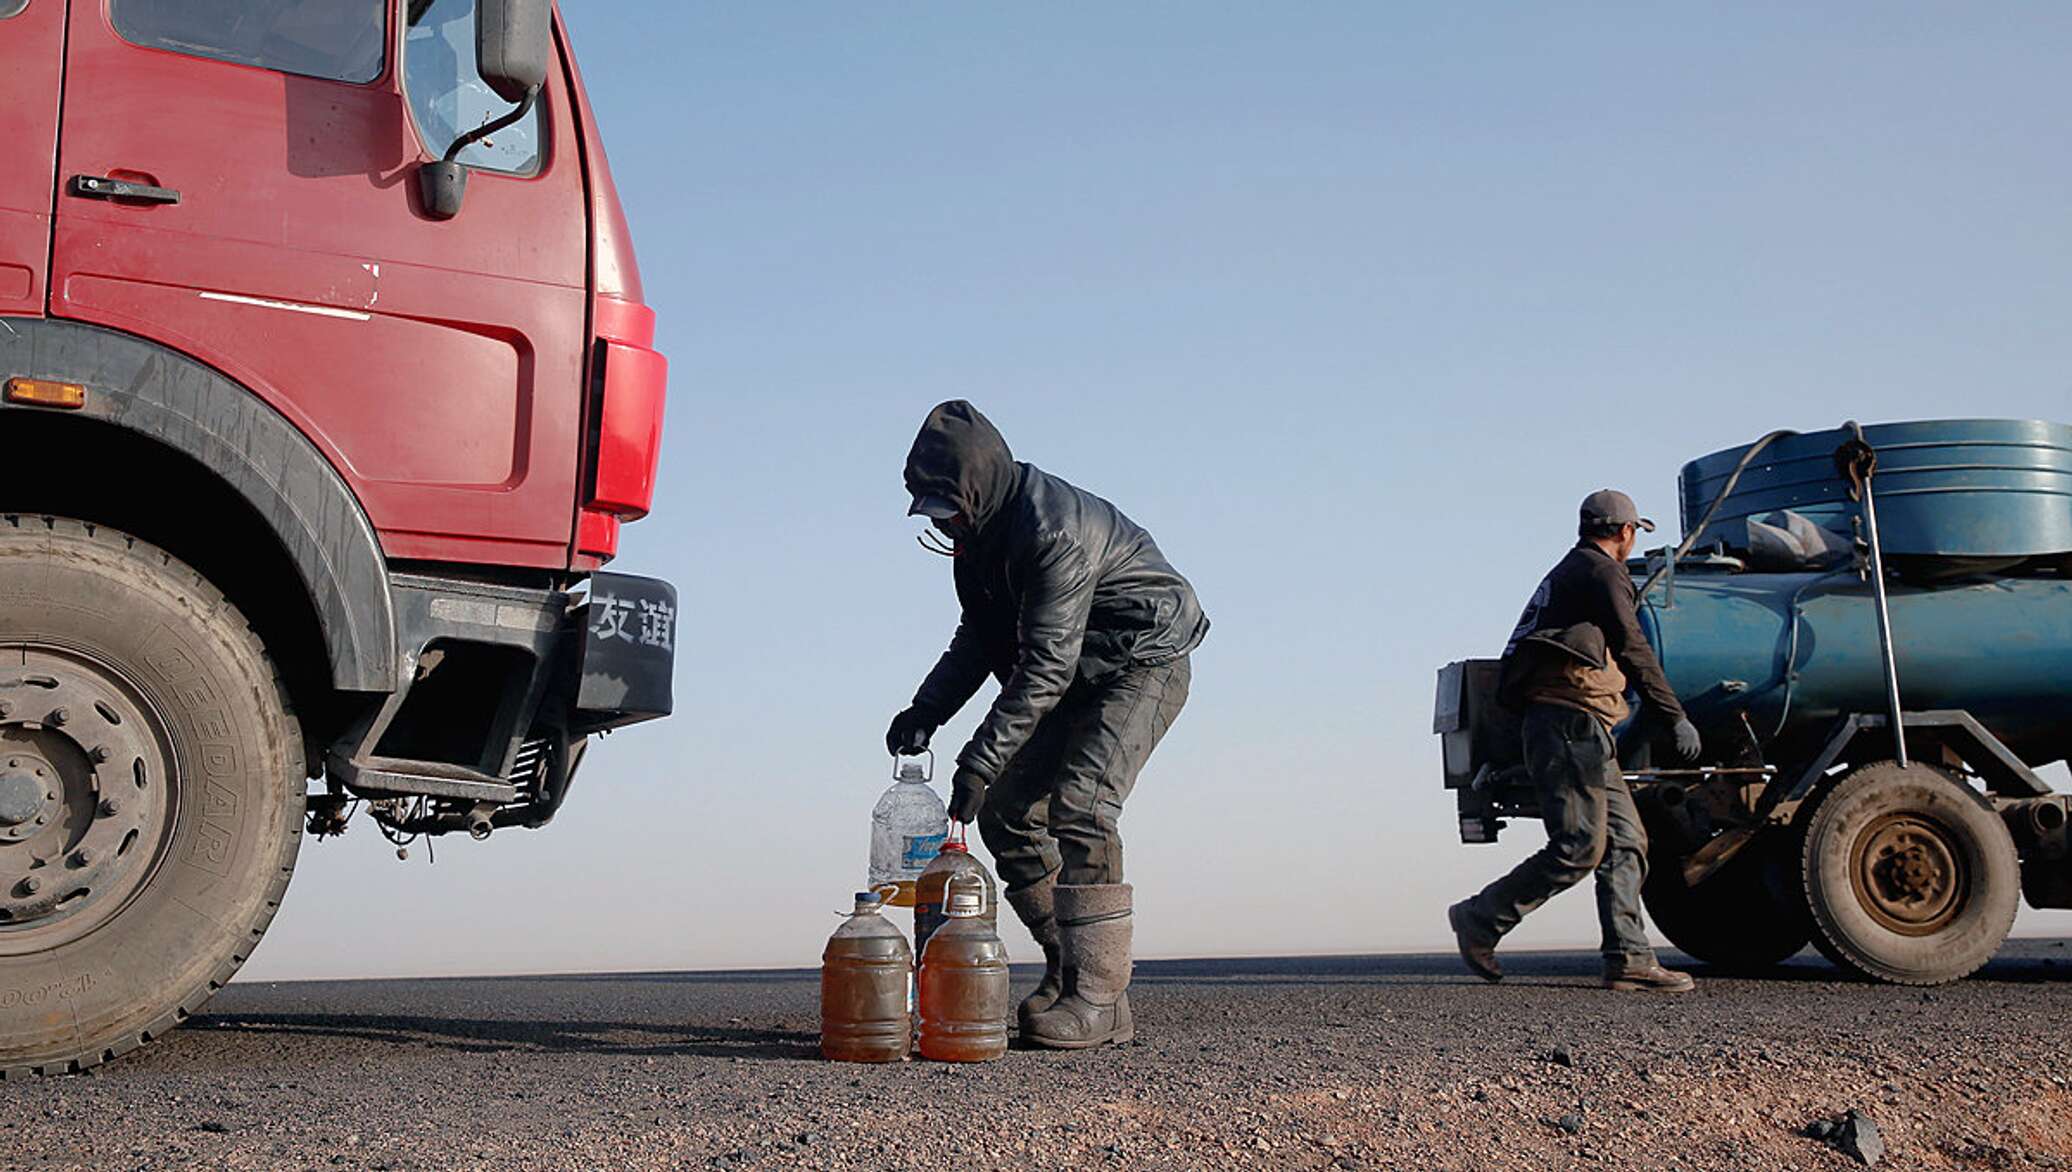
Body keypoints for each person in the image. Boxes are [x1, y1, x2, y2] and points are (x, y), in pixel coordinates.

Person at [887, 401, 1208, 1048]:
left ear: (980, 485)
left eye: (950, 507)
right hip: (1077, 668)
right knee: (1005, 810)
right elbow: (979, 639)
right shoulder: (975, 538)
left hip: (1140, 660)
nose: (945, 525)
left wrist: (977, 760)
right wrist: (927, 710)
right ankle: (1069, 970)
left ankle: (1101, 999)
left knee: (1084, 806)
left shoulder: (1052, 531)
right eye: (933, 512)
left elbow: (1045, 670)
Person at [1447, 489, 1702, 992]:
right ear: (1627, 533)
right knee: (1579, 846)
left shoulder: (1571, 570)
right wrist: (1674, 715)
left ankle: (1628, 957)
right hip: (1566, 724)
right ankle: (1482, 917)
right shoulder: (1602, 573)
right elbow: (1633, 647)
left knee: (1627, 840)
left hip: (1584, 726)